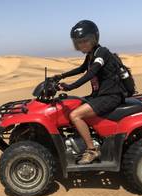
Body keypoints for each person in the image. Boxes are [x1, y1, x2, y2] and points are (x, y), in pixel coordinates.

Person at [54, 20, 125, 164]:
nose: (82, 45)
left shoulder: (102, 53)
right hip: (100, 95)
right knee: (74, 104)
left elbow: (91, 72)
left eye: (85, 41)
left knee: (75, 115)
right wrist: (60, 76)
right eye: (79, 42)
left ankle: (92, 150)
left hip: (111, 96)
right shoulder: (91, 55)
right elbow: (81, 69)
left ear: (94, 38)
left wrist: (70, 87)